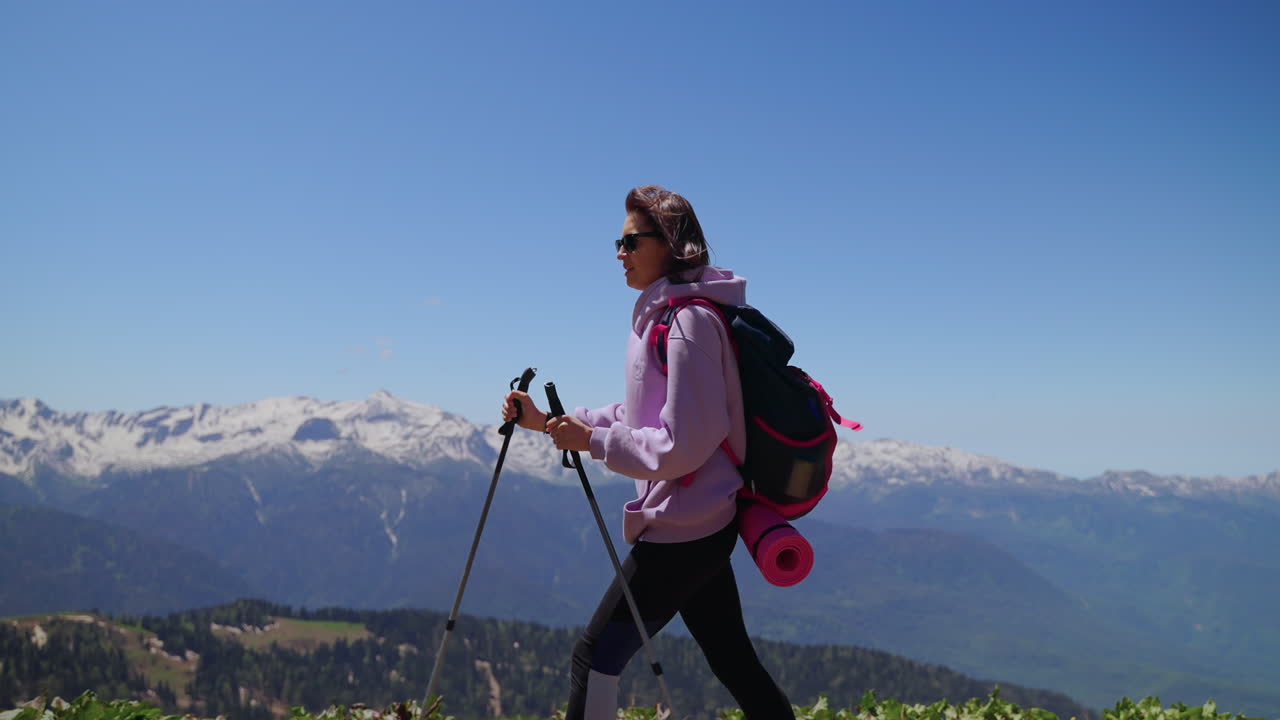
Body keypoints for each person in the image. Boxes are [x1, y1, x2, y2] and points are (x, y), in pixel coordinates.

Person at [501, 185, 795, 720]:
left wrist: (590, 441)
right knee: (732, 658)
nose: (620, 253)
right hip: (701, 521)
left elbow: (682, 444)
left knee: (594, 661)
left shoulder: (687, 324)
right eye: (620, 241)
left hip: (683, 531)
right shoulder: (663, 318)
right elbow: (644, 418)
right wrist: (548, 424)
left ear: (671, 244)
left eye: (630, 241)